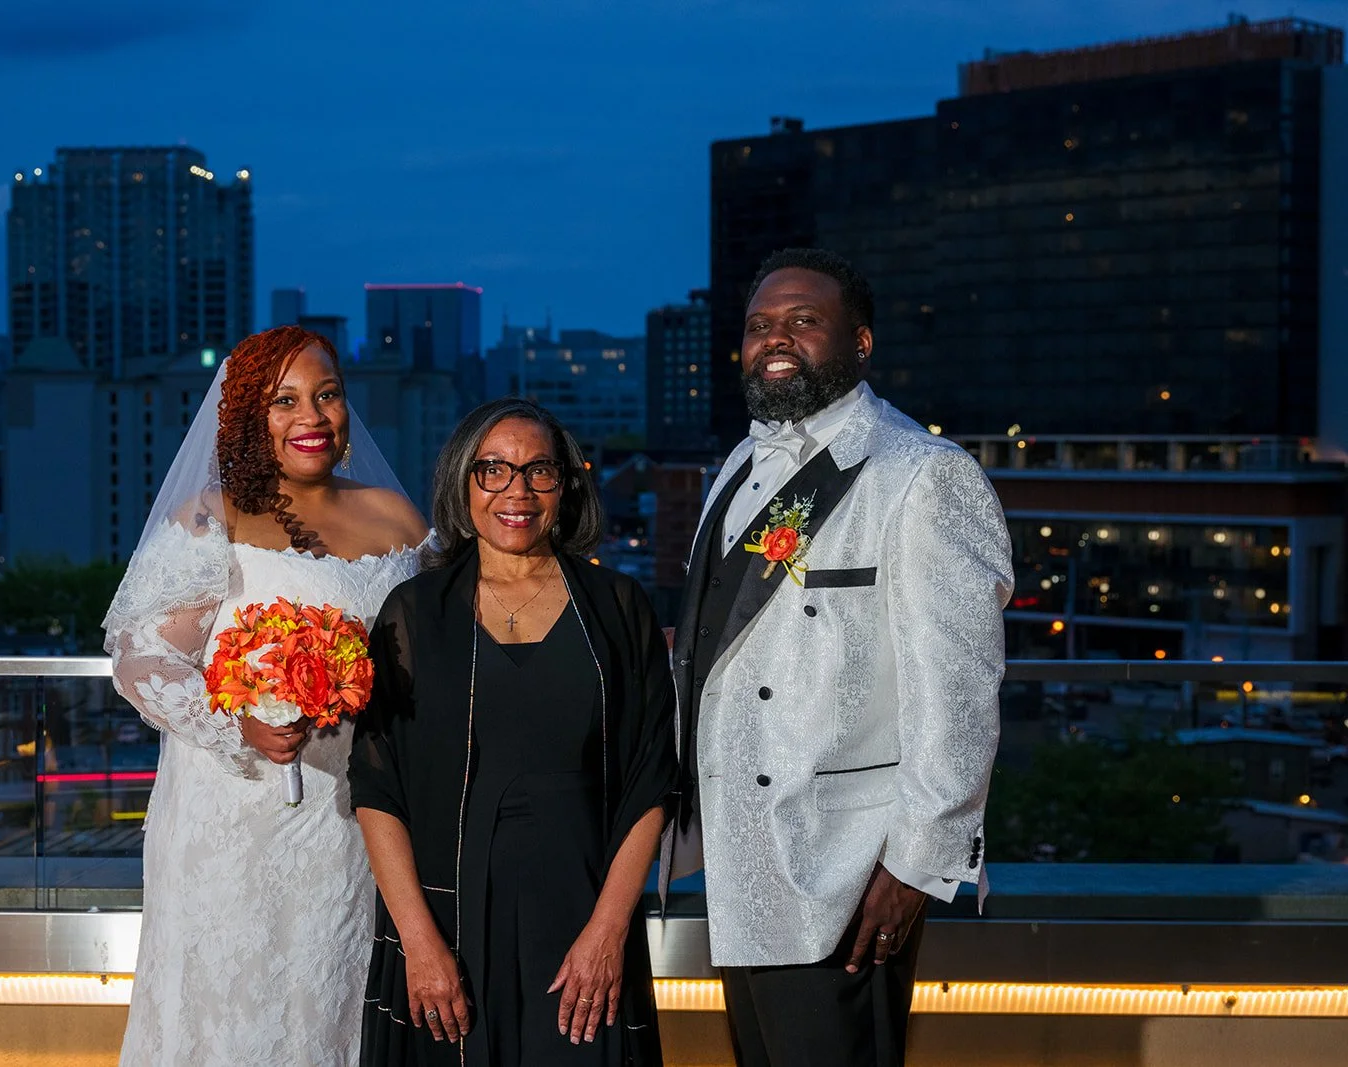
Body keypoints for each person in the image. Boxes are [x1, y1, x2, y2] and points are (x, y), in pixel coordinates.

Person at [661, 249, 1013, 1067]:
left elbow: (957, 691)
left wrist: (918, 866)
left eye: (802, 321)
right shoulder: (738, 465)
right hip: (739, 854)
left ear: (860, 343)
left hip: (844, 866)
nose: (774, 338)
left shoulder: (923, 473)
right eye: (759, 325)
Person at [103, 326, 429, 1066]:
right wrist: (236, 725)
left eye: (326, 395)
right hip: (230, 816)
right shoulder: (210, 517)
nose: (311, 416)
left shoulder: (400, 520)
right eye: (284, 401)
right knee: (229, 1010)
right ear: (251, 418)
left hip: (351, 818)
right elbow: (139, 657)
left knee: (331, 1003)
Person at [348, 399, 677, 1067]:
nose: (516, 492)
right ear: (462, 482)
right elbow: (377, 788)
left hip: (584, 916)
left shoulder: (619, 607)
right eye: (492, 469)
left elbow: (653, 780)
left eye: (538, 471)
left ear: (567, 485)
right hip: (448, 925)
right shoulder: (414, 612)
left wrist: (609, 931)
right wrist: (419, 942)